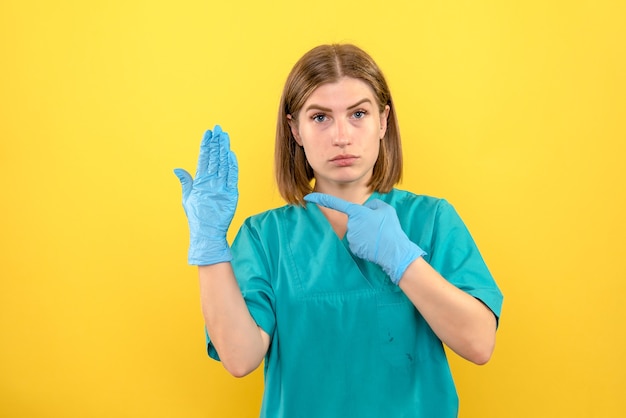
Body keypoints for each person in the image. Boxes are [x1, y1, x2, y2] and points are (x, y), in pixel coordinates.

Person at [174, 43, 503, 418]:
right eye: (320, 118)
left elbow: (479, 344)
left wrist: (403, 259)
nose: (341, 136)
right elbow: (239, 358)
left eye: (358, 113)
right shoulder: (266, 237)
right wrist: (209, 245)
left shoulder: (431, 220)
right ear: (294, 129)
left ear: (383, 121)